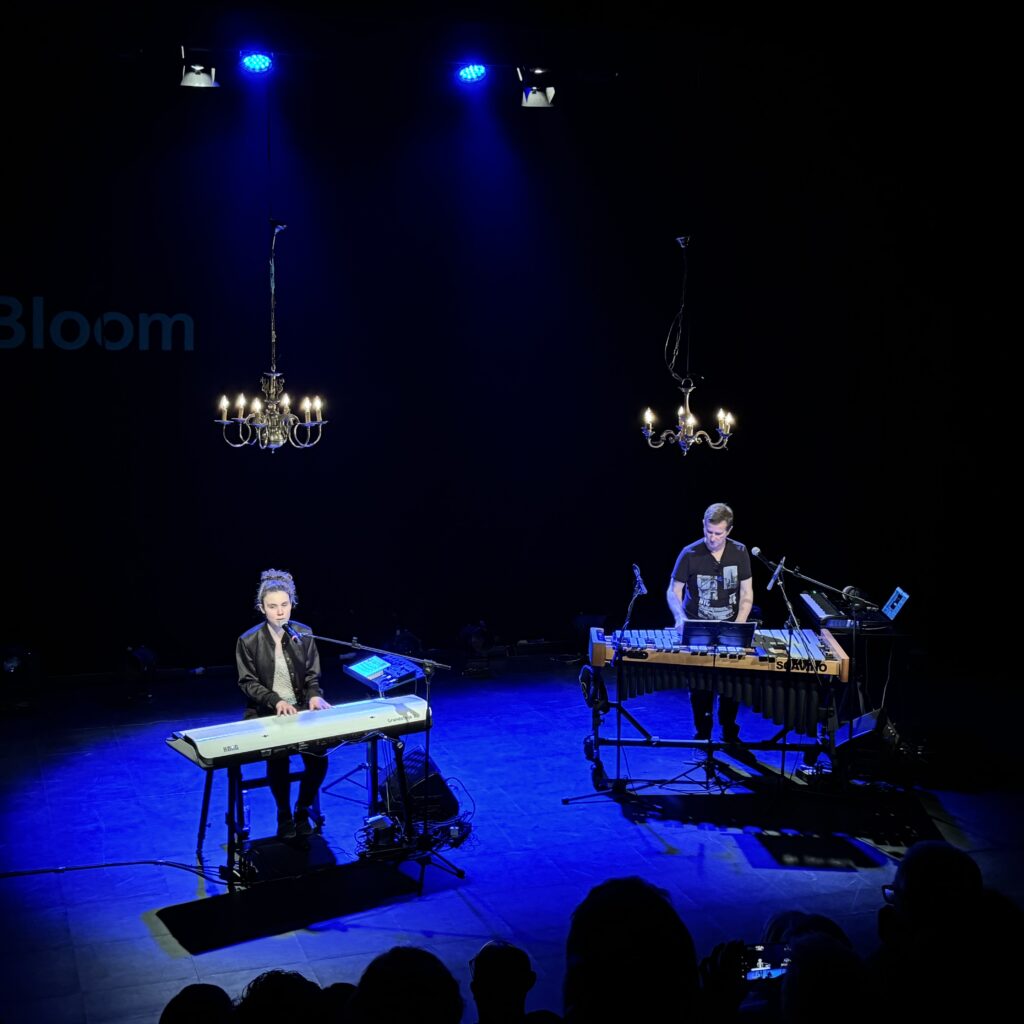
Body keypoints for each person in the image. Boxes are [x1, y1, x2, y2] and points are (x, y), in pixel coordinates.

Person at [237, 568, 332, 838]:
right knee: (279, 760)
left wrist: (314, 694)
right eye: (272, 606)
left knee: (318, 760)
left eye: (284, 605)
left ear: (292, 604)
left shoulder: (303, 633)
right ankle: (283, 814)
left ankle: (302, 809)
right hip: (267, 711)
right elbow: (247, 682)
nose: (280, 612)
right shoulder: (248, 640)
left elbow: (312, 674)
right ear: (261, 608)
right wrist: (275, 700)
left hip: (302, 708)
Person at [667, 502, 754, 742]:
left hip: (730, 626)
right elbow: (674, 590)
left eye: (718, 533)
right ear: (703, 526)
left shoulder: (740, 552)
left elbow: (747, 592)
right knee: (700, 688)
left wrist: (739, 624)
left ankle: (729, 732)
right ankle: (702, 733)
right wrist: (680, 617)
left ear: (729, 530)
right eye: (708, 531)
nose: (712, 538)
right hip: (697, 627)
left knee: (731, 686)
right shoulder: (690, 553)